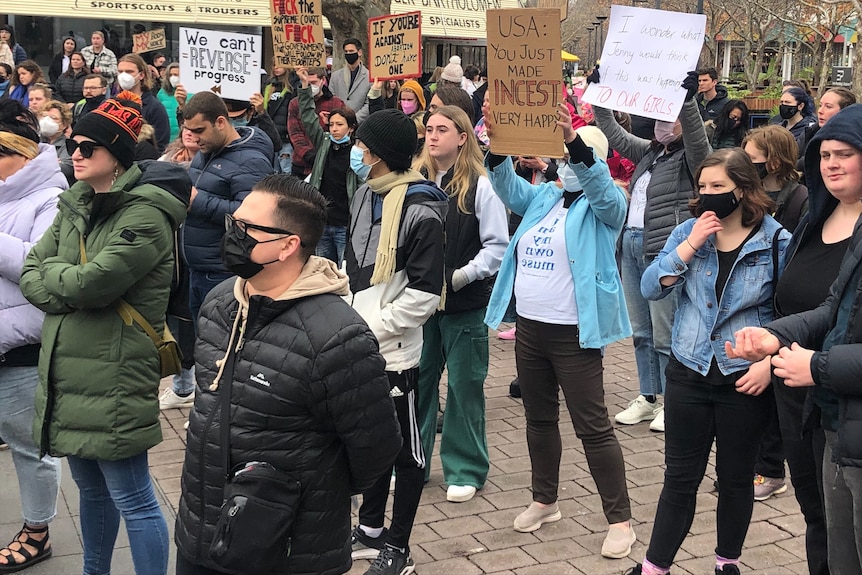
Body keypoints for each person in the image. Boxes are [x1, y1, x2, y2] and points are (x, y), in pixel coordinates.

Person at [173, 174, 402, 575]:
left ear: (288, 244)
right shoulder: (220, 301)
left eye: (246, 229)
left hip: (286, 549)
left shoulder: (338, 336)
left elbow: (376, 447)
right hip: (201, 530)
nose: (233, 234)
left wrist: (308, 492)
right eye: (233, 223)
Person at [20, 91, 190, 575]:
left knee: (133, 497)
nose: (74, 153)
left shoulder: (146, 214)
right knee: (91, 492)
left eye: (87, 147)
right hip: (69, 370)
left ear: (116, 156)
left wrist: (63, 285)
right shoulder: (75, 203)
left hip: (115, 370)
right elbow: (34, 268)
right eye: (73, 144)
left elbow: (92, 285)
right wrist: (65, 286)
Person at [482, 95, 636, 559]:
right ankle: (544, 499)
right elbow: (506, 185)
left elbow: (602, 192)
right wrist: (498, 141)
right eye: (563, 157)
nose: (566, 164)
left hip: (574, 333)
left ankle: (620, 520)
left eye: (575, 157)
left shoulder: (610, 204)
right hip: (531, 328)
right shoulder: (546, 195)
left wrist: (574, 140)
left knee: (592, 425)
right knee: (538, 418)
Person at [627, 148, 791, 575]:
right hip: (689, 369)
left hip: (744, 376)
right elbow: (650, 288)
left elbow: (788, 314)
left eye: (719, 187)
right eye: (702, 187)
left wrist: (767, 364)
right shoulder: (688, 230)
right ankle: (654, 567)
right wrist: (689, 245)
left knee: (735, 478)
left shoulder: (775, 240)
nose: (708, 194)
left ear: (743, 188)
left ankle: (726, 563)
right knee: (679, 478)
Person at [727, 103, 862, 575]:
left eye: (845, 153)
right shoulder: (814, 216)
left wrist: (815, 365)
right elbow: (814, 305)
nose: (832, 164)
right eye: (824, 154)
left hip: (843, 400)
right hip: (801, 395)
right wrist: (771, 342)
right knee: (818, 518)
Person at [345, 109, 448, 575]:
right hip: (357, 342)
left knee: (406, 451)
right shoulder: (365, 193)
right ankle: (369, 529)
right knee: (367, 442)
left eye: (363, 144)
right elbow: (352, 265)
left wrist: (373, 326)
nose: (356, 149)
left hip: (394, 350)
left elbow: (424, 295)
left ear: (381, 153)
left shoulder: (423, 209)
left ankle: (399, 547)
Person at [593, 70, 712, 433]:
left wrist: (687, 102)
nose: (662, 125)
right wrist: (600, 96)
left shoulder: (692, 158)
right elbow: (614, 134)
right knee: (641, 331)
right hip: (631, 244)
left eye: (669, 118)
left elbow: (696, 138)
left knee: (665, 332)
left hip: (662, 250)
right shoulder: (651, 152)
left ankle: (672, 401)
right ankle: (648, 396)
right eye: (659, 118)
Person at [415, 105, 508, 503]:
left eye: (442, 129)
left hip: (463, 304)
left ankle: (465, 466)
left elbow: (498, 246)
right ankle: (411, 463)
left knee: (464, 387)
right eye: (429, 129)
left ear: (462, 137)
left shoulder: (480, 186)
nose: (432, 136)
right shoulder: (416, 182)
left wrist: (461, 276)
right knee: (415, 384)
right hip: (418, 304)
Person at [159, 91, 274, 412]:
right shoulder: (208, 152)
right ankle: (211, 411)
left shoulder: (250, 160)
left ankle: (230, 414)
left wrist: (198, 201)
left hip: (224, 273)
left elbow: (254, 217)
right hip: (198, 269)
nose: (193, 138)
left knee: (227, 350)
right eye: (189, 131)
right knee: (206, 349)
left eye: (199, 131)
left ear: (221, 122)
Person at [0, 99, 65, 574]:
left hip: (21, 345)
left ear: (19, 150)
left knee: (30, 445)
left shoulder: (53, 196)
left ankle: (37, 531)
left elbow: (36, 267)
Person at [296, 66, 358, 266]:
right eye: (331, 125)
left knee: (342, 270)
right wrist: (305, 86)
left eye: (339, 125)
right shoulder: (324, 143)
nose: (334, 129)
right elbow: (308, 117)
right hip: (323, 222)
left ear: (351, 128)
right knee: (323, 269)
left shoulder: (357, 153)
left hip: (344, 225)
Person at [286, 66, 344, 178]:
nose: (310, 86)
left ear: (323, 80)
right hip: (301, 165)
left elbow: (342, 131)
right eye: (307, 82)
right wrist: (308, 154)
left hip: (328, 164)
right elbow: (295, 134)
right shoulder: (295, 104)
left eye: (313, 82)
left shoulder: (337, 103)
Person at [118, 53, 170, 153]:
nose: (123, 76)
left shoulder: (155, 107)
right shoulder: (110, 104)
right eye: (120, 72)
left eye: (129, 72)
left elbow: (160, 145)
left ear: (141, 75)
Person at [262, 60, 295, 173]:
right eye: (274, 65)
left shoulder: (292, 85)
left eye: (279, 64)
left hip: (285, 137)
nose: (276, 67)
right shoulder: (268, 85)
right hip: (270, 135)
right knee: (273, 171)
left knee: (286, 170)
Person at [328, 38, 371, 123]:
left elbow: (368, 103)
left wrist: (353, 121)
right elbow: (331, 99)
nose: (348, 54)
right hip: (339, 123)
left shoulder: (369, 76)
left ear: (359, 52)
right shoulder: (335, 76)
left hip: (360, 123)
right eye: (346, 52)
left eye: (351, 51)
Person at [38, 100, 75, 184]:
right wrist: (52, 162)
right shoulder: (34, 140)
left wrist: (35, 162)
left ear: (64, 125)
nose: (47, 120)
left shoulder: (67, 145)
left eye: (53, 118)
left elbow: (66, 169)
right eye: (44, 116)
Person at [778, 87, 817, 157]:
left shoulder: (808, 130)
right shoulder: (778, 128)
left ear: (801, 106)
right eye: (781, 102)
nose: (783, 105)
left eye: (787, 102)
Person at [156, 63, 186, 141]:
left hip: (183, 136)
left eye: (176, 75)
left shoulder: (190, 93)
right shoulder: (162, 93)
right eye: (171, 75)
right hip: (166, 137)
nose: (173, 77)